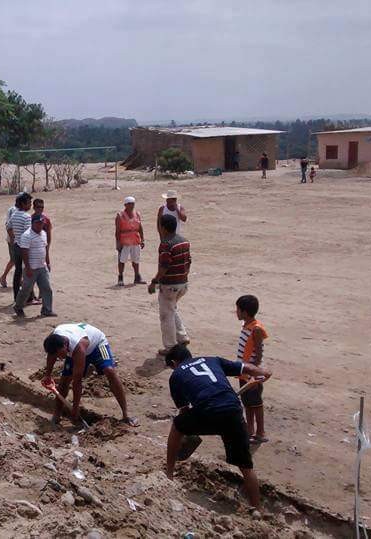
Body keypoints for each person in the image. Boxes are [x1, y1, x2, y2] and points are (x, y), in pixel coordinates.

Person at [163, 344, 271, 508]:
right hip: (233, 412)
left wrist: (189, 433)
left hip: (209, 412)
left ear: (174, 363)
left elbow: (184, 411)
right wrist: (263, 373)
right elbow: (246, 367)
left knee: (177, 425)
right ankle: (257, 509)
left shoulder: (176, 375)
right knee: (246, 467)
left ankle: (169, 474)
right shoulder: (212, 360)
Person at [42, 323, 137, 426]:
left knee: (109, 371)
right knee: (65, 380)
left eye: (61, 354)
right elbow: (51, 356)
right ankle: (57, 414)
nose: (60, 358)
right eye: (57, 356)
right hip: (76, 346)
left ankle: (126, 415)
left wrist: (75, 408)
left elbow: (77, 382)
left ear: (65, 345)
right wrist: (48, 375)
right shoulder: (53, 340)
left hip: (97, 345)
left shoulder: (78, 347)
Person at [148, 214, 191, 356]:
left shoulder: (166, 244)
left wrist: (154, 282)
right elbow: (189, 261)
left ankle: (170, 347)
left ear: (163, 228)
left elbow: (164, 266)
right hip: (182, 283)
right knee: (172, 308)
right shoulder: (184, 241)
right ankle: (182, 337)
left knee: (166, 315)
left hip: (169, 285)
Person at [235, 295, 269, 443]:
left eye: (238, 310)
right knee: (247, 402)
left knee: (256, 403)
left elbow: (259, 353)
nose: (236, 312)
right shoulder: (246, 326)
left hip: (252, 374)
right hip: (244, 372)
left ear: (245, 312)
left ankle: (260, 432)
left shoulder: (256, 329)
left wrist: (253, 373)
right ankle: (250, 431)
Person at [13, 214, 55, 317]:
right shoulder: (26, 236)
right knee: (26, 289)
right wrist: (28, 268)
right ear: (32, 223)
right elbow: (24, 252)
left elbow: (45, 249)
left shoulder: (43, 233)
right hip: (31, 267)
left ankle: (47, 310)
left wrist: (48, 262)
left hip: (42, 266)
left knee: (46, 288)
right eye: (38, 223)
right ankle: (18, 307)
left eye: (41, 223)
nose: (40, 225)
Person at [6, 193, 33, 299]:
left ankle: (16, 296)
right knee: (28, 271)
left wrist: (13, 238)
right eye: (29, 203)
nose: (30, 205)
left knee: (18, 272)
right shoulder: (27, 217)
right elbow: (28, 234)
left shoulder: (14, 215)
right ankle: (29, 296)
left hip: (17, 246)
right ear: (23, 204)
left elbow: (8, 227)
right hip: (24, 247)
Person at [115, 196, 145, 286]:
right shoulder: (120, 216)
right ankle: (120, 277)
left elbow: (140, 227)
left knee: (136, 259)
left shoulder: (137, 214)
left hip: (135, 240)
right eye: (129, 204)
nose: (132, 206)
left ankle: (137, 277)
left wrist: (142, 239)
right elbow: (117, 231)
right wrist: (118, 243)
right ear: (125, 205)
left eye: (133, 204)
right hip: (124, 241)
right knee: (122, 260)